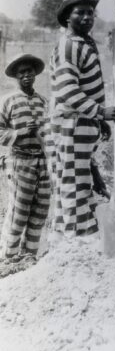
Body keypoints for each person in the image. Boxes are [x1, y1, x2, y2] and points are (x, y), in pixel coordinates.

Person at [48, 0, 115, 236]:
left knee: (79, 179)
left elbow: (87, 88)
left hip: (83, 123)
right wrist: (101, 112)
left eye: (91, 13)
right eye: (80, 12)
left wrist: (98, 120)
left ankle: (74, 232)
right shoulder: (69, 45)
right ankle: (75, 237)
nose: (87, 18)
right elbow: (69, 92)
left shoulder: (83, 43)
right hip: (71, 123)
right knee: (73, 183)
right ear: (67, 17)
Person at [0, 54, 50, 260]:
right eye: (22, 73)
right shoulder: (8, 101)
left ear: (35, 74)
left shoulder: (43, 102)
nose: (26, 75)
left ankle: (29, 256)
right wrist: (20, 133)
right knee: (19, 212)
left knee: (40, 210)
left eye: (29, 71)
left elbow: (51, 131)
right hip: (20, 162)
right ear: (16, 77)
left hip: (43, 162)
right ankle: (8, 258)